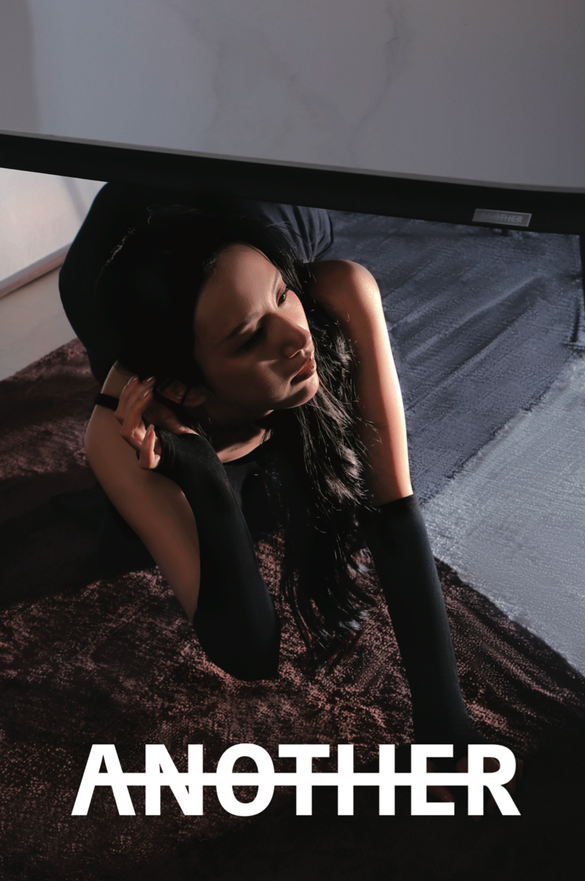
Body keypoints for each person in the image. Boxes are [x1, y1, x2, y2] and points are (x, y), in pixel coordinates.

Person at [60, 183, 510, 803]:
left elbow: (393, 512)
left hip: (259, 207)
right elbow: (248, 653)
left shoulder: (336, 295)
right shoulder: (115, 432)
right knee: (127, 536)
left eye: (282, 297)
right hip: (107, 260)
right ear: (186, 390)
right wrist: (203, 476)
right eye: (251, 338)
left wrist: (448, 732)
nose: (297, 339)